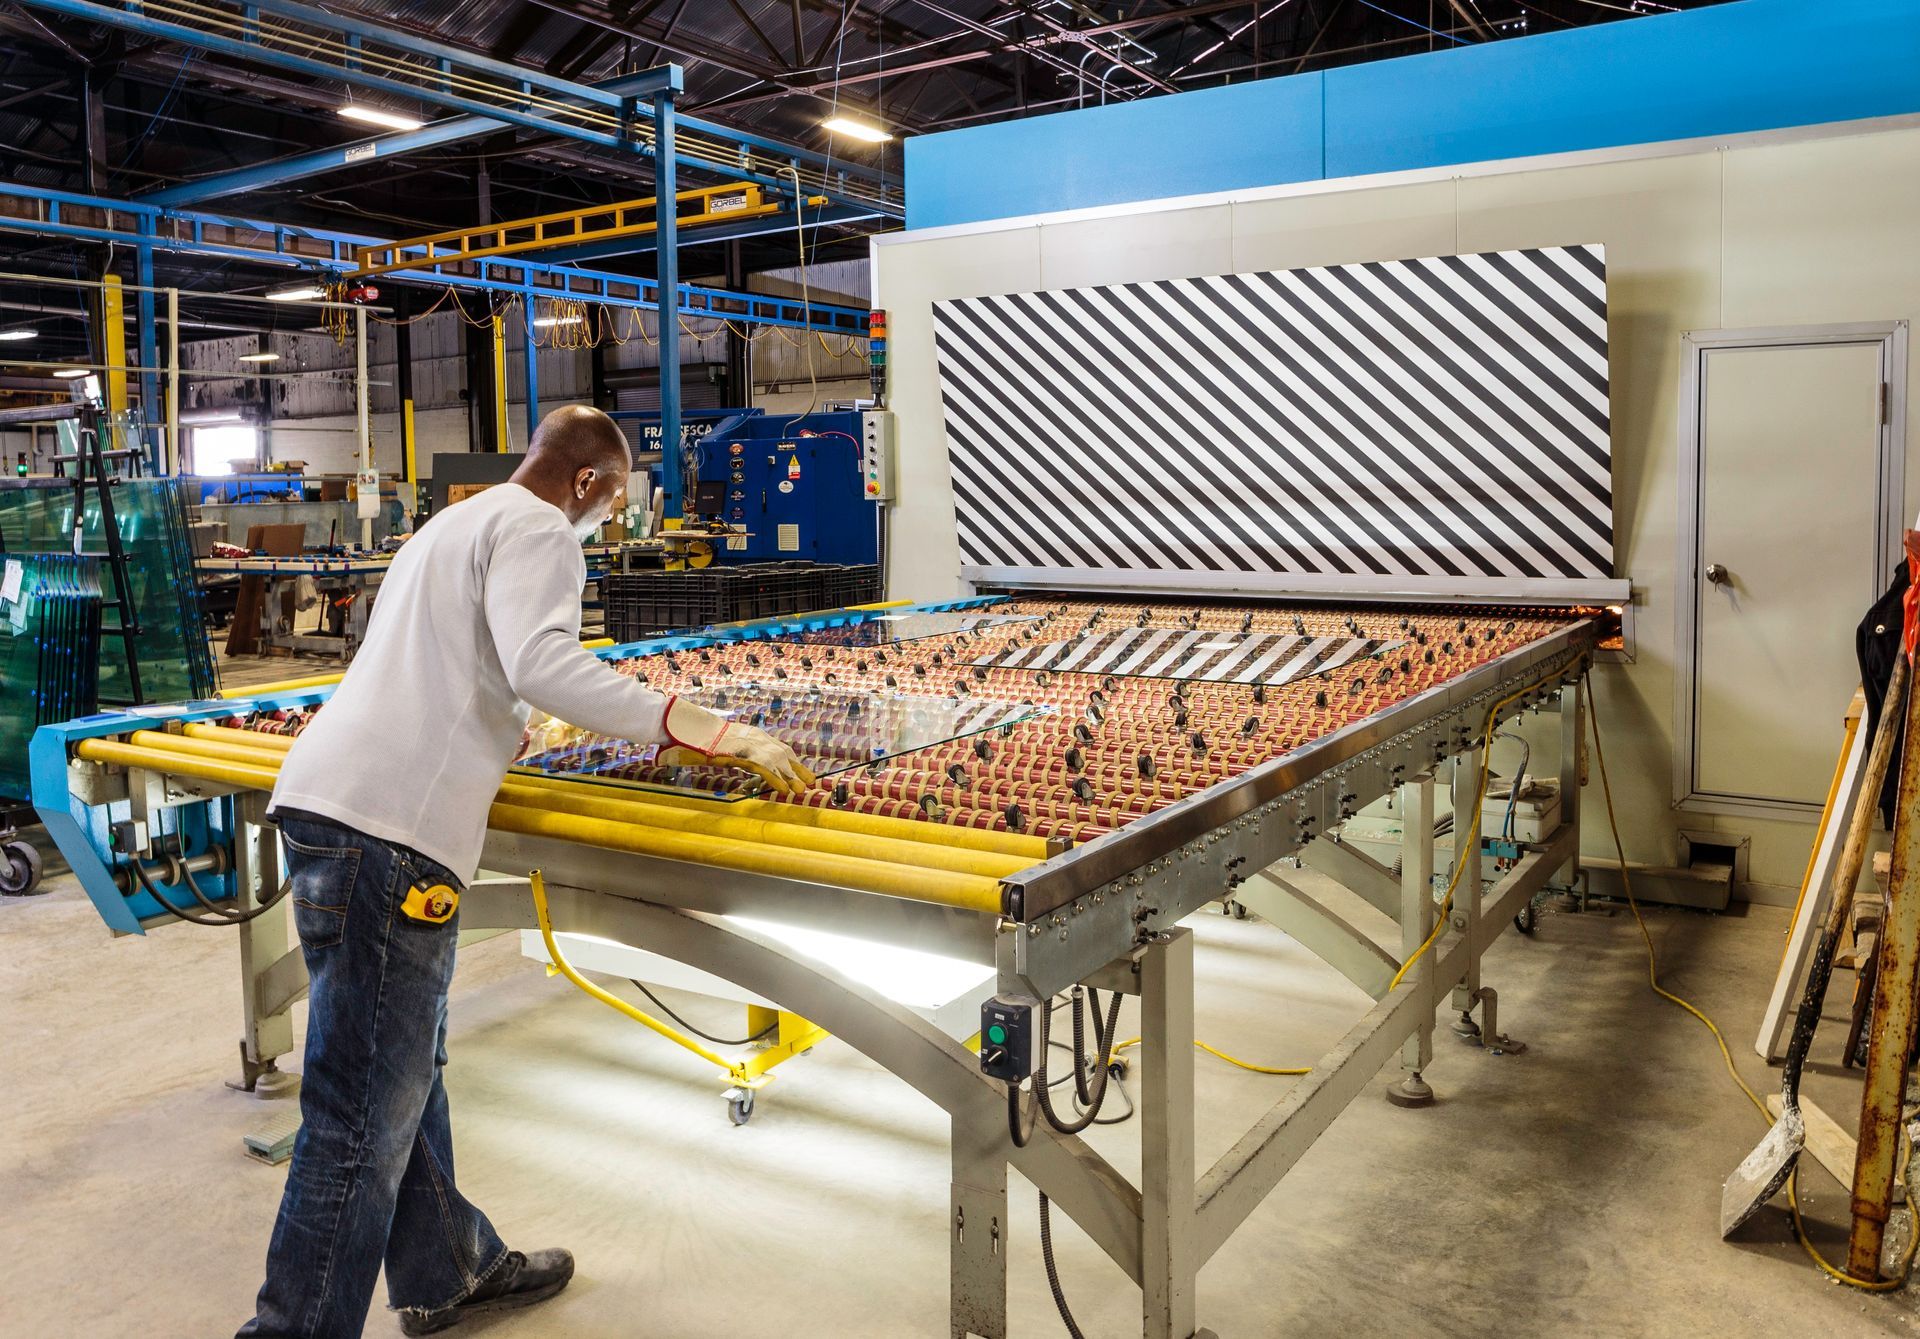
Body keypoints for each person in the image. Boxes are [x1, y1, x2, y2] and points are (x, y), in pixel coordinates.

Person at [240, 405, 810, 1338]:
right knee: (355, 1121)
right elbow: (542, 662)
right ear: (586, 481)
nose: (610, 518)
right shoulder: (543, 526)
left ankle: (447, 1270)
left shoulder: (454, 522)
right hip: (392, 834)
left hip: (325, 807)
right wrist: (699, 725)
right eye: (615, 499)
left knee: (399, 1066)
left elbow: (467, 667)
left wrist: (504, 718)